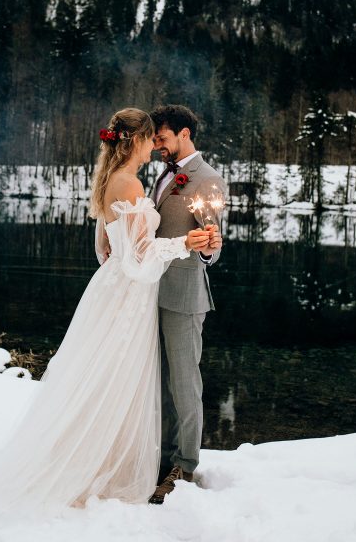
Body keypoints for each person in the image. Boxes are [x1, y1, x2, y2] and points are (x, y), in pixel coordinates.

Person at [0, 107, 220, 520]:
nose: (156, 148)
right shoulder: (131, 184)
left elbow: (115, 244)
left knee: (150, 380)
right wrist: (182, 241)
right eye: (152, 139)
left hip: (147, 292)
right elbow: (137, 257)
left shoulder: (159, 180)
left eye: (162, 139)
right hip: (133, 292)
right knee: (117, 379)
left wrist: (201, 244)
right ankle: (111, 465)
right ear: (137, 141)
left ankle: (178, 464)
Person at [148, 104, 226, 505]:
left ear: (183, 133)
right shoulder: (164, 174)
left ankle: (186, 466)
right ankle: (160, 459)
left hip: (183, 296)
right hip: (150, 293)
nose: (158, 145)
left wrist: (209, 248)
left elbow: (214, 244)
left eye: (162, 138)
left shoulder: (207, 179)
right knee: (158, 383)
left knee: (184, 384)